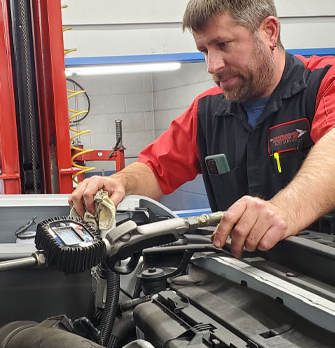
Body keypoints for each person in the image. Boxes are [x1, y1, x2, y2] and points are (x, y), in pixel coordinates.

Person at [68, 0, 335, 259]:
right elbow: (155, 169)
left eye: (223, 45)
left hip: (320, 282)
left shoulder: (323, 84)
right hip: (239, 278)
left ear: (269, 32)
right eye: (204, 51)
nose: (212, 66)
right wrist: (119, 182)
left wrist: (284, 210)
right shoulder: (206, 110)